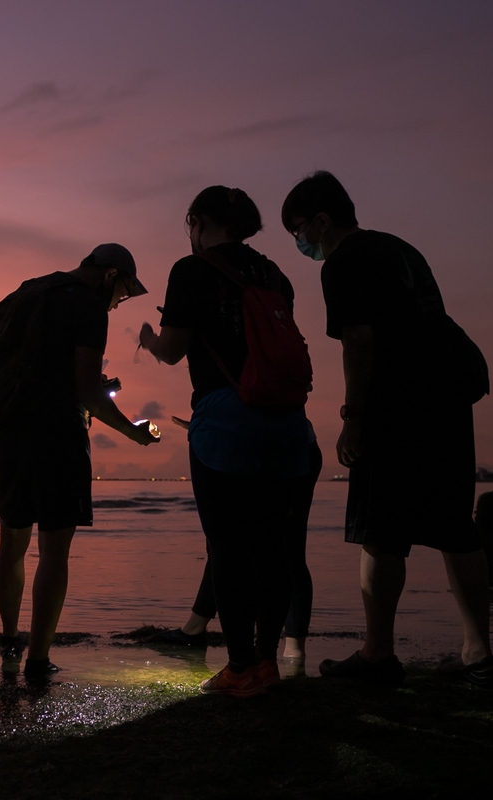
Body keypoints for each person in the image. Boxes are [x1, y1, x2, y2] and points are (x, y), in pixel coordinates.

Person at [281, 170, 493, 687]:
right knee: (455, 527)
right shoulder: (403, 250)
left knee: (381, 533)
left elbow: (358, 342)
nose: (300, 242)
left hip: (396, 404)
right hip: (447, 399)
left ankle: (378, 655)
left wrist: (353, 419)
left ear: (321, 220)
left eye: (298, 230)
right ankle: (480, 656)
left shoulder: (343, 262)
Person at [140, 186, 315, 698]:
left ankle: (239, 668)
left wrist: (150, 338)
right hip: (287, 423)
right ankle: (268, 662)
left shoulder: (190, 270)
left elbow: (173, 351)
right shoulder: (274, 274)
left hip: (226, 422)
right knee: (275, 548)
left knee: (229, 545)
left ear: (197, 221)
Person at [0, 243, 160, 682]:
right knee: (54, 551)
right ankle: (38, 660)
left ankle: (10, 641)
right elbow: (85, 394)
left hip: (11, 431)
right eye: (123, 293)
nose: (120, 302)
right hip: (58, 440)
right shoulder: (88, 306)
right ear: (110, 275)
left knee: (12, 542)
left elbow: (49, 369)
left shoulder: (32, 292)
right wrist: (132, 432)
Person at [156, 434, 321, 664]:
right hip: (281, 443)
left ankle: (276, 652)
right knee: (276, 547)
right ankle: (290, 651)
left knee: (238, 545)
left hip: (254, 446)